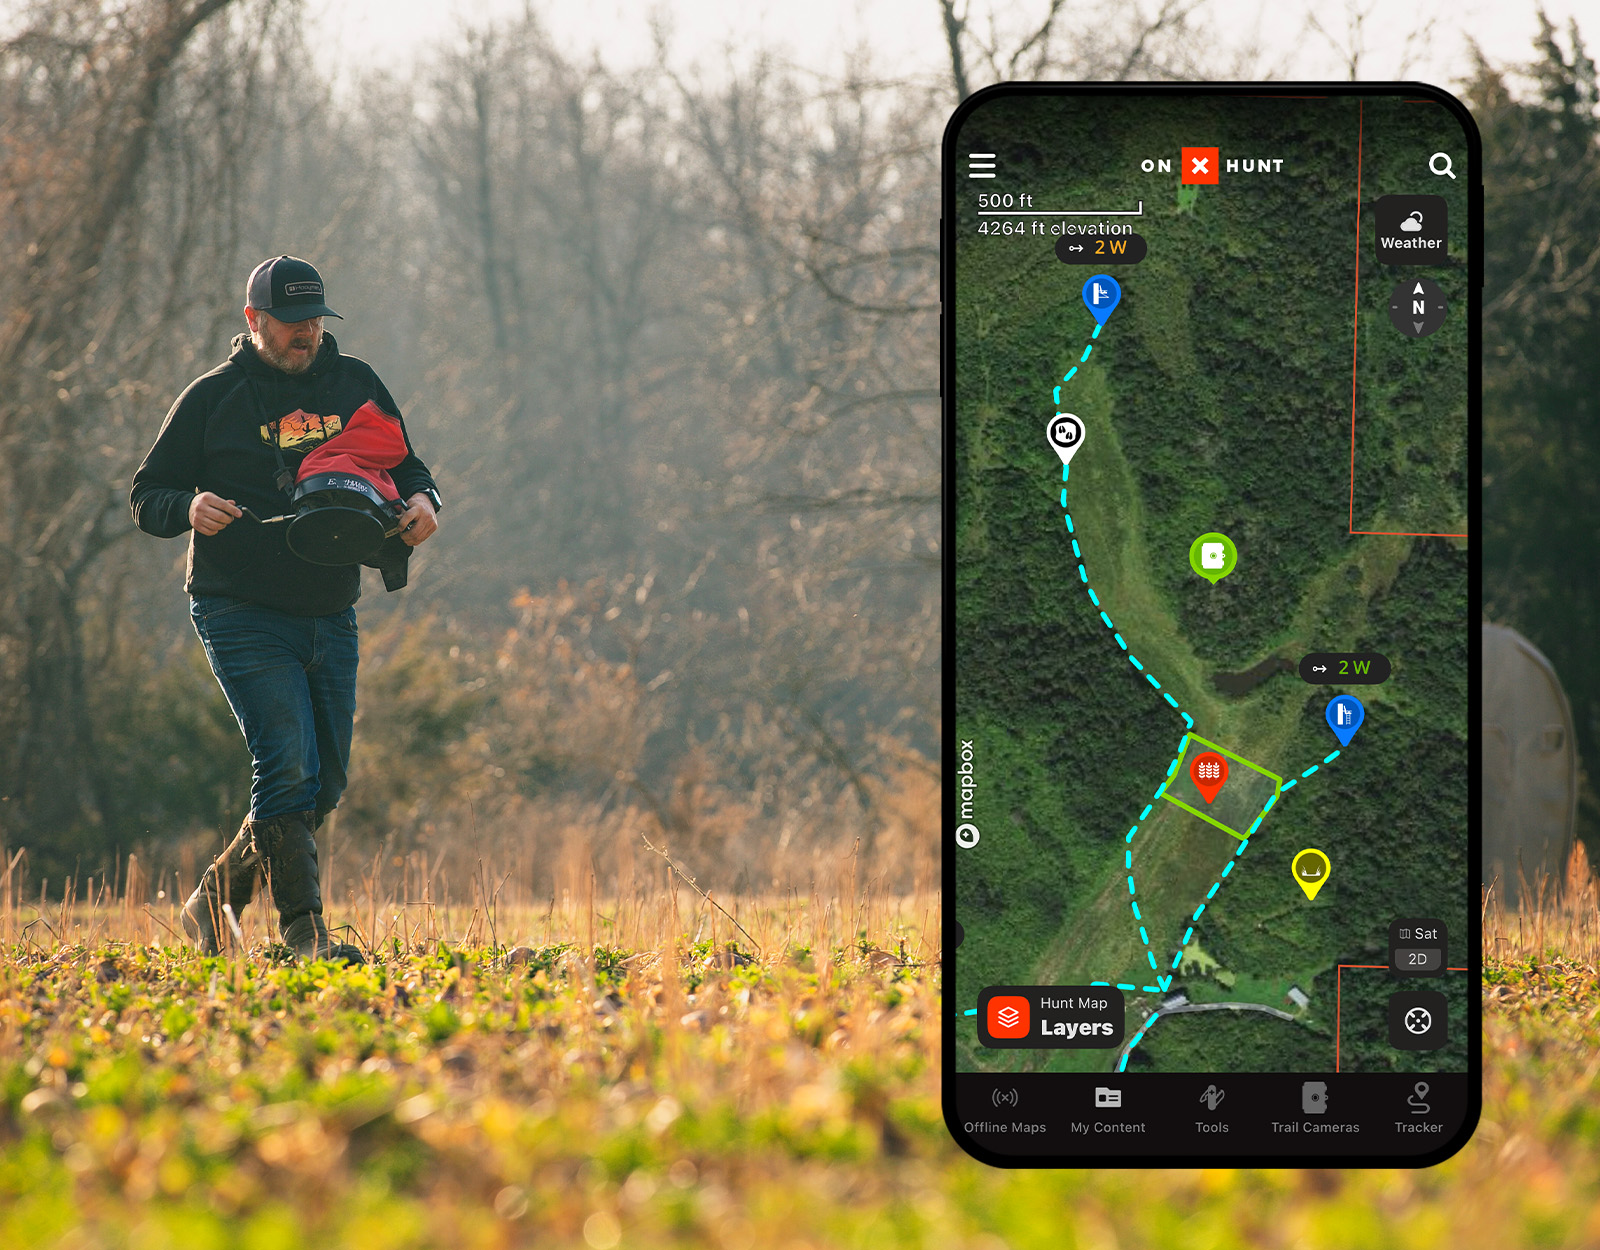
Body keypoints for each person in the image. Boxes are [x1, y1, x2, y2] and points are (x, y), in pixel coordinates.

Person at [130, 256, 442, 963]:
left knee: (323, 783)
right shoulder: (213, 398)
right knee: (285, 766)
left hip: (330, 606)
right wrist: (188, 506)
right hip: (237, 607)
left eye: (313, 321)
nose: (305, 335)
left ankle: (212, 901)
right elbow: (148, 494)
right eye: (291, 322)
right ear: (254, 320)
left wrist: (425, 502)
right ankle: (305, 935)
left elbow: (408, 467)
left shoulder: (355, 382)